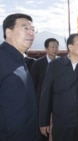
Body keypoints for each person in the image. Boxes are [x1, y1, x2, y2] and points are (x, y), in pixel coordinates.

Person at [0, 13, 39, 141]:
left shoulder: (19, 59)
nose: (31, 33)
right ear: (8, 32)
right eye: (25, 28)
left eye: (33, 30)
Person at [30, 38, 59, 141]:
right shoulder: (38, 64)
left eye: (56, 47)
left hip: (58, 101)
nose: (55, 49)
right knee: (43, 128)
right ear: (46, 49)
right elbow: (33, 84)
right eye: (52, 47)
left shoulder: (62, 63)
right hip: (42, 101)